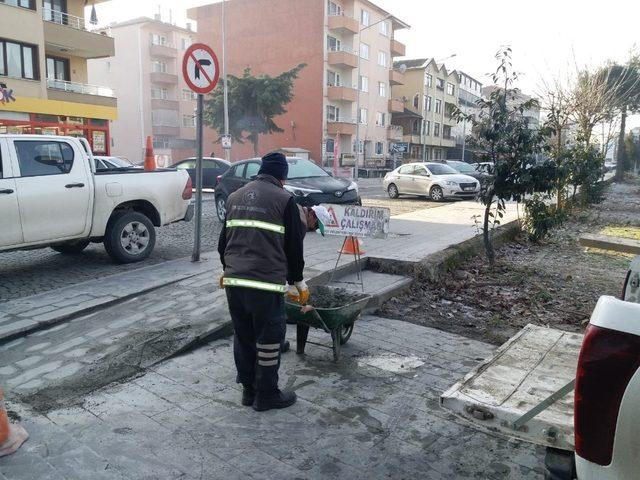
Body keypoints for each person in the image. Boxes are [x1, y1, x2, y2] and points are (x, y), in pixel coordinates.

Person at [218, 152, 309, 411]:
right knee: (269, 339)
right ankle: (267, 394)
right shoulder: (285, 199)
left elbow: (222, 243)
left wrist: (230, 269)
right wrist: (297, 280)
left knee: (243, 336)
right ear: (282, 176)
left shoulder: (234, 197)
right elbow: (294, 246)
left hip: (235, 282)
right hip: (266, 283)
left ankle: (248, 392)